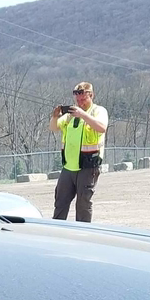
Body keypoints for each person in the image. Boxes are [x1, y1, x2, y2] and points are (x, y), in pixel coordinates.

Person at [50, 82, 109, 222]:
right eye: (78, 100)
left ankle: (83, 234)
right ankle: (57, 231)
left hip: (88, 166)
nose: (80, 102)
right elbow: (54, 128)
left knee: (83, 204)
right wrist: (55, 116)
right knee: (60, 202)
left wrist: (83, 114)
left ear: (91, 95)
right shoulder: (71, 115)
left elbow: (101, 127)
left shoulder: (98, 111)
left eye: (83, 99)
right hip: (69, 166)